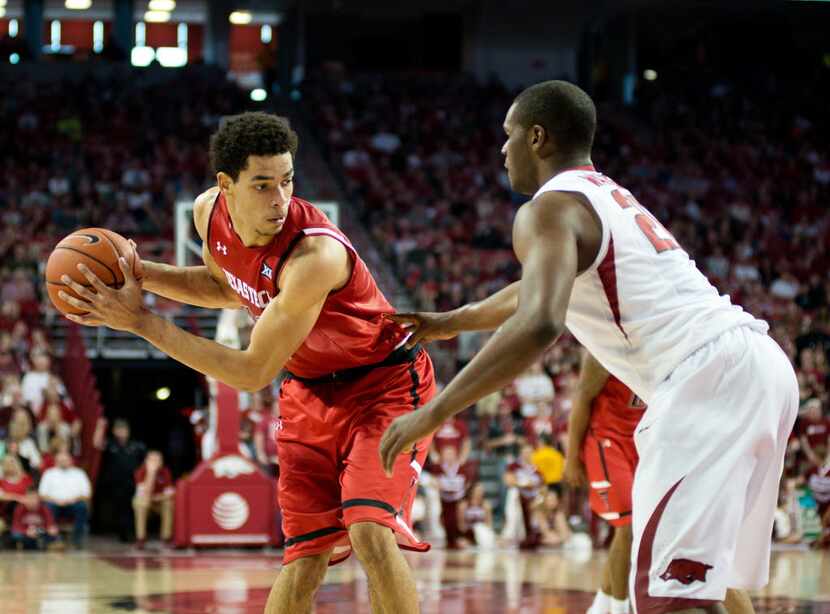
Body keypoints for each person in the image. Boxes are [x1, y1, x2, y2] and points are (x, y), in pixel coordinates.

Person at [380, 80, 799, 614]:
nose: (501, 149)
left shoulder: (546, 209)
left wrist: (434, 412)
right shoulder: (605, 194)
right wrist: (455, 321)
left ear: (537, 137)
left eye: (507, 136)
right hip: (755, 365)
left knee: (668, 594)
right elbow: (541, 286)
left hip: (707, 378)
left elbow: (538, 322)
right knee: (690, 584)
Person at [58, 111, 435, 614]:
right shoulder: (207, 214)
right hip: (308, 391)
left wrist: (142, 323)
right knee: (305, 555)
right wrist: (139, 274)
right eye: (262, 185)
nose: (280, 199)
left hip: (384, 386)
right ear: (225, 185)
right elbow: (225, 288)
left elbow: (251, 372)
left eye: (287, 181)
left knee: (368, 530)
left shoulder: (314, 257)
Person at [563, 351, 645, 614]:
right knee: (629, 525)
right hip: (606, 441)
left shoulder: (661, 341)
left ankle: (601, 604)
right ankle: (621, 608)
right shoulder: (604, 349)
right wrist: (571, 458)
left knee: (631, 529)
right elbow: (582, 400)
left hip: (640, 441)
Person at [95, 418, 146, 542]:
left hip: (133, 482)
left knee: (132, 507)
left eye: (124, 429)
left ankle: (134, 534)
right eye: (119, 429)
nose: (122, 432)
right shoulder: (111, 444)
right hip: (115, 482)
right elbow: (97, 444)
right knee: (120, 508)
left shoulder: (137, 446)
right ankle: (123, 534)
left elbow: (145, 463)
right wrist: (100, 427)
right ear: (114, 431)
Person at [38, 451, 91, 548]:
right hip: (54, 503)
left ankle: (77, 539)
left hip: (74, 503)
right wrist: (56, 501)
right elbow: (42, 494)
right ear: (56, 461)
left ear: (71, 461)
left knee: (82, 507)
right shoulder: (49, 473)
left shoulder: (79, 473)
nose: (63, 462)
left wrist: (72, 500)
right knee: (48, 508)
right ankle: (51, 539)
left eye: (65, 460)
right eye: (61, 460)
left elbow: (87, 494)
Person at [132, 450, 175, 549]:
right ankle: (141, 538)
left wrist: (158, 497)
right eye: (152, 460)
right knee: (140, 504)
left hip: (158, 502)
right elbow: (143, 493)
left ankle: (166, 538)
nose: (155, 462)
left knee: (169, 504)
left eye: (158, 460)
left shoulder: (165, 472)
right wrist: (151, 474)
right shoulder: (140, 472)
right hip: (145, 501)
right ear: (146, 461)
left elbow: (170, 493)